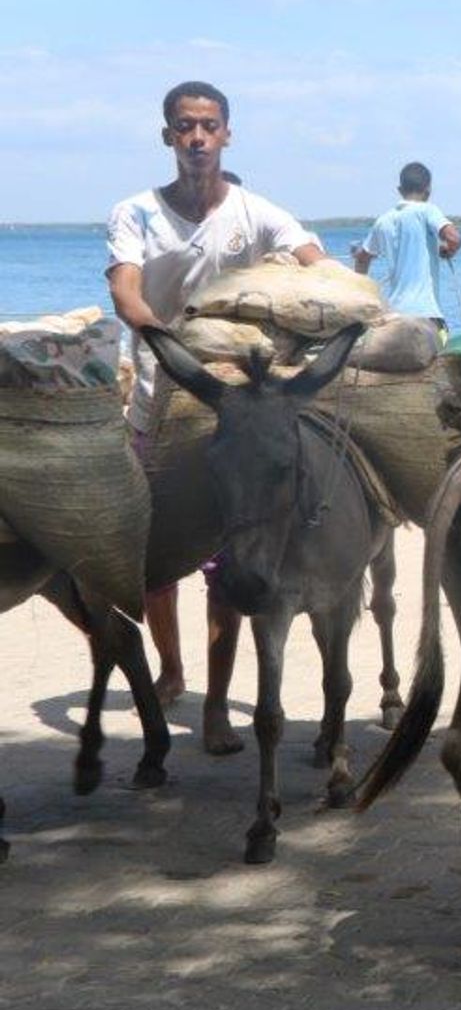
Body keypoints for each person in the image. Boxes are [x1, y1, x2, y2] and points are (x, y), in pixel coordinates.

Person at [105, 80, 326, 755]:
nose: (197, 138)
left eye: (208, 126)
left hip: (232, 413)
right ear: (167, 135)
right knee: (153, 561)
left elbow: (318, 265)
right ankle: (172, 667)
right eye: (184, 127)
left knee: (228, 559)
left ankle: (215, 712)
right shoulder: (136, 213)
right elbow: (125, 292)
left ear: (228, 133)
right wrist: (175, 348)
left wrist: (322, 298)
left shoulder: (258, 214)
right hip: (159, 397)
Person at [353, 161, 461, 323]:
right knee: (443, 343)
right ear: (428, 190)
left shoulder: (383, 220)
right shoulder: (427, 210)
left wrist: (361, 291)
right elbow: (454, 238)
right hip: (426, 313)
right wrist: (448, 250)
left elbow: (362, 258)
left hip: (394, 314)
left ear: (400, 190)